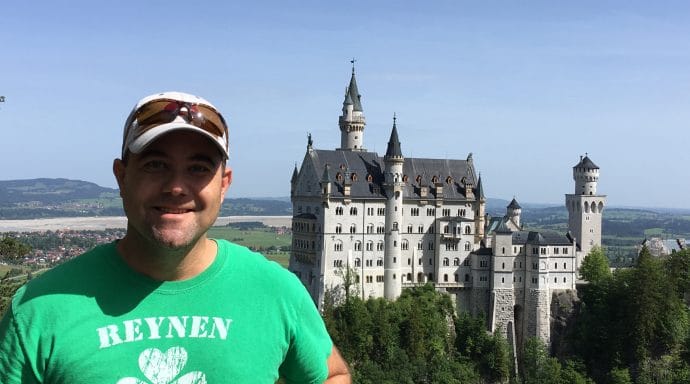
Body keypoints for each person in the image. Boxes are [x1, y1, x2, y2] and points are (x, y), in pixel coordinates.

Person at [0, 91, 351, 383]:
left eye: (199, 168)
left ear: (224, 184)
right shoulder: (37, 311)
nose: (177, 187)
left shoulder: (275, 291)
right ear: (122, 177)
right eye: (155, 165)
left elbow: (331, 375)